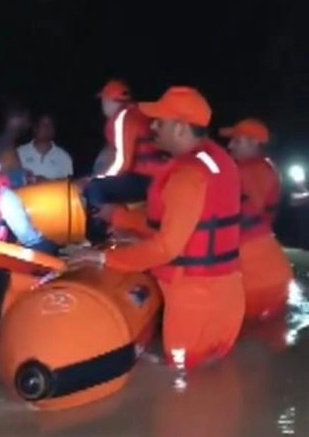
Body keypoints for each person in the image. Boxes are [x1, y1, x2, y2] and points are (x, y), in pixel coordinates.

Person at [68, 86, 245, 374]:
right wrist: (121, 218)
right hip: (227, 295)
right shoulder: (220, 161)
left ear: (180, 128)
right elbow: (189, 223)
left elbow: (166, 248)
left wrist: (104, 258)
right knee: (212, 380)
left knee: (181, 380)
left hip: (195, 302)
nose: (152, 127)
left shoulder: (187, 175)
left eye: (160, 122)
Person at [82, 79, 170, 244]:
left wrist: (96, 179)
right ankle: (117, 229)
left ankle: (99, 238)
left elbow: (123, 161)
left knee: (95, 188)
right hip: (156, 176)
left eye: (103, 101)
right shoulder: (137, 113)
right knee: (107, 185)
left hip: (149, 179)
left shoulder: (123, 118)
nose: (102, 106)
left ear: (110, 101)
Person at [222, 118, 293, 321]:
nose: (230, 145)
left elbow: (244, 218)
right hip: (266, 269)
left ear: (254, 142)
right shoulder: (262, 167)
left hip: (255, 274)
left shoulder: (252, 171)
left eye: (237, 140)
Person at [0, 101, 34, 188]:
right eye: (25, 118)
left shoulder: (9, 143)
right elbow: (1, 178)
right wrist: (30, 178)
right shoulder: (1, 145)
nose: (28, 124)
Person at [17, 112, 73, 182]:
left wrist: (47, 182)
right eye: (43, 125)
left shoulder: (64, 156)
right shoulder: (19, 152)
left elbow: (69, 183)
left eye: (50, 125)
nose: (47, 128)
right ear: (35, 128)